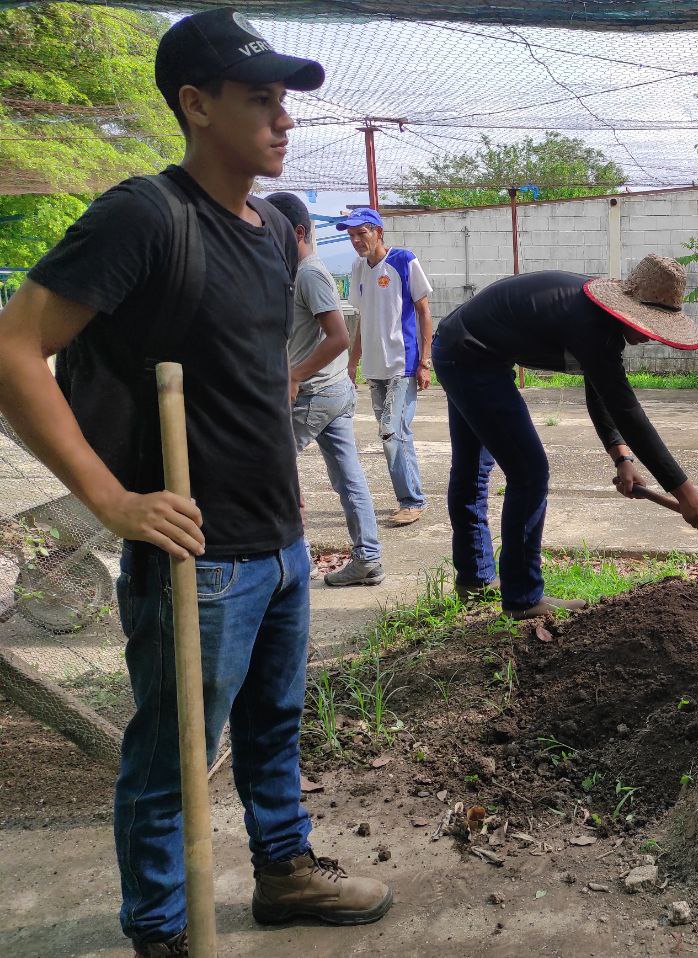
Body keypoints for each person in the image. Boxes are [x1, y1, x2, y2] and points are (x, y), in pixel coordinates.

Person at [0, 10, 391, 955]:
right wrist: (110, 499)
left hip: (278, 537)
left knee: (273, 727)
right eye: (259, 99)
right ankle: (164, 928)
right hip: (195, 553)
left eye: (285, 102)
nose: (283, 120)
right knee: (174, 755)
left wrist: (292, 514)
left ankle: (286, 872)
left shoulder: (266, 234)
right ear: (195, 104)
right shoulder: (144, 216)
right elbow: (14, 351)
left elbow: (253, 380)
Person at [431, 254, 698, 619]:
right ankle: (522, 598)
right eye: (649, 325)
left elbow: (600, 391)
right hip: (470, 357)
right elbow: (627, 411)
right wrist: (685, 492)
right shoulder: (590, 323)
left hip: (464, 348)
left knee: (473, 469)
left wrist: (622, 458)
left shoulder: (600, 323)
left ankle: (475, 580)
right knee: (529, 472)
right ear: (631, 309)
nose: (648, 336)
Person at [266, 192, 385, 587]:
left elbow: (338, 337)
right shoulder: (295, 272)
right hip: (333, 390)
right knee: (347, 477)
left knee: (273, 466)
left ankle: (292, 567)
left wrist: (296, 375)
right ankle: (367, 558)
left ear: (297, 232)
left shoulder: (310, 273)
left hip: (316, 393)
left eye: (272, 232)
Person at [338, 207, 432, 527]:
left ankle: (412, 500)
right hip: (375, 368)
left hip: (402, 364)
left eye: (361, 233)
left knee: (394, 431)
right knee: (389, 433)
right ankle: (409, 498)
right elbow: (363, 318)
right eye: (351, 236)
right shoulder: (358, 269)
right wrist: (353, 362)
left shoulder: (404, 261)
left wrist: (425, 361)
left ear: (378, 231)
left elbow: (423, 311)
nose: (356, 240)